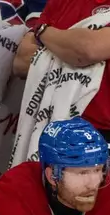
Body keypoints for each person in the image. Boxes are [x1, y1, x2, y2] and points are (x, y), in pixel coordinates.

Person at [12, 0, 110, 137]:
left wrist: (42, 31)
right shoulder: (60, 2)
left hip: (103, 131)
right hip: (52, 130)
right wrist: (70, 51)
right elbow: (21, 62)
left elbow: (87, 49)